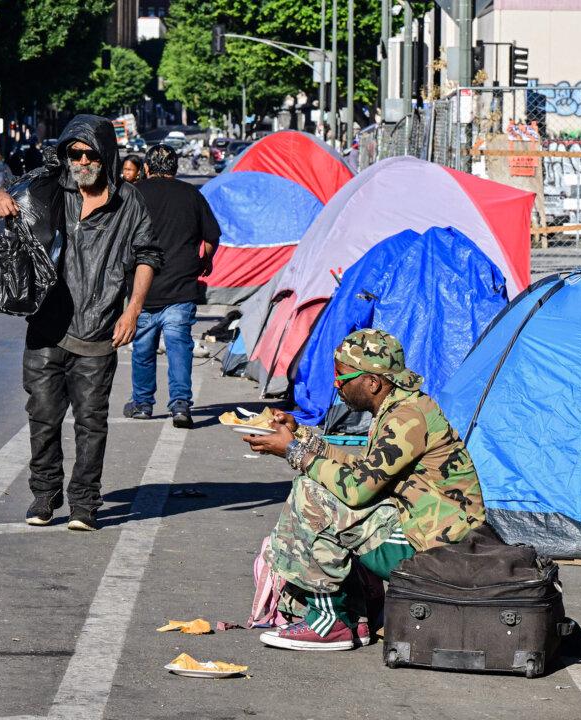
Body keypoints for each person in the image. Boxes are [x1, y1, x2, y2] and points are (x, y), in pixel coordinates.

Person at [243, 329, 486, 651]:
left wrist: (294, 454)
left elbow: (357, 490)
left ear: (372, 382)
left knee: (314, 495)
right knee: (323, 487)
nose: (336, 384)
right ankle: (356, 618)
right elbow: (366, 472)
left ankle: (330, 622)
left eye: (343, 377)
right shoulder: (401, 408)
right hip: (426, 529)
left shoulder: (408, 417)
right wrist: (299, 435)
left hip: (439, 546)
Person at [0, 114, 163, 532]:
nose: (81, 161)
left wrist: (132, 309)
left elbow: (147, 256)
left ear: (106, 155)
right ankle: (45, 496)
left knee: (91, 422)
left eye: (89, 154)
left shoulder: (129, 201)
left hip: (99, 328)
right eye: (74, 153)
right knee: (43, 417)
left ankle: (85, 503)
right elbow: (0, 194)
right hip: (47, 327)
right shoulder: (50, 186)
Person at [123, 144, 220, 428]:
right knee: (179, 348)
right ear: (175, 169)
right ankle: (180, 405)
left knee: (143, 349)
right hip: (181, 287)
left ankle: (142, 404)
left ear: (147, 169)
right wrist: (206, 261)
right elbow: (211, 236)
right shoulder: (192, 194)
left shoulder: (134, 194)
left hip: (143, 289)